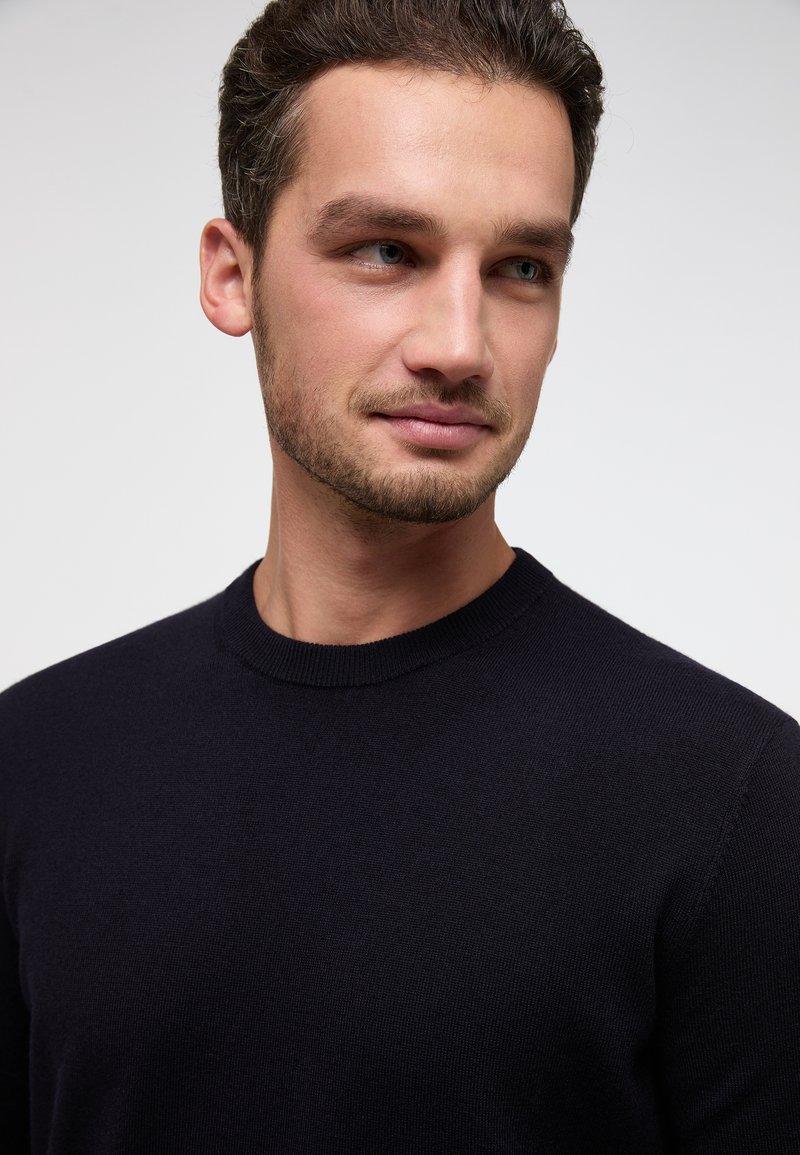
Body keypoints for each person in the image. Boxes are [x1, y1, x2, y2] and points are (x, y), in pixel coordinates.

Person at [1, 0, 798, 1150]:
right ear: (231, 275)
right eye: (386, 251)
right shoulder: (34, 764)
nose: (460, 345)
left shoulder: (736, 801)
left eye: (519, 267)